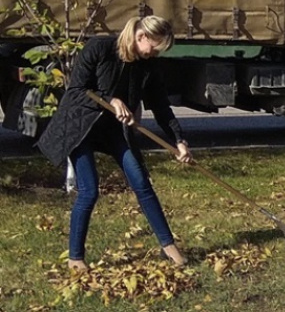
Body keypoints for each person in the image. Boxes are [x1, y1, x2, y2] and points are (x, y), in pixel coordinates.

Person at [37, 16, 193, 271]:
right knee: (89, 190)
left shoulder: (148, 67)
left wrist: (179, 140)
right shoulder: (100, 48)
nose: (154, 54)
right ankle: (75, 258)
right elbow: (76, 89)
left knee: (141, 182)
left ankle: (168, 246)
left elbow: (162, 107)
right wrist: (111, 100)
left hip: (114, 131)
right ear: (141, 36)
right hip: (81, 127)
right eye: (154, 48)